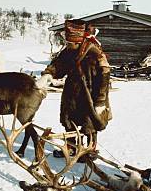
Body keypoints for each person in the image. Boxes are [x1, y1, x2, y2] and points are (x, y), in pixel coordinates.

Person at [37, 19, 112, 158]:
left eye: (69, 43)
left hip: (90, 94)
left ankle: (90, 150)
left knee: (89, 123)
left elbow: (104, 79)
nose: (67, 44)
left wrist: (100, 102)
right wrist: (48, 74)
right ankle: (71, 148)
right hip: (72, 92)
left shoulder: (95, 54)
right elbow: (59, 65)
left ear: (78, 42)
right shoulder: (69, 51)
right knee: (68, 120)